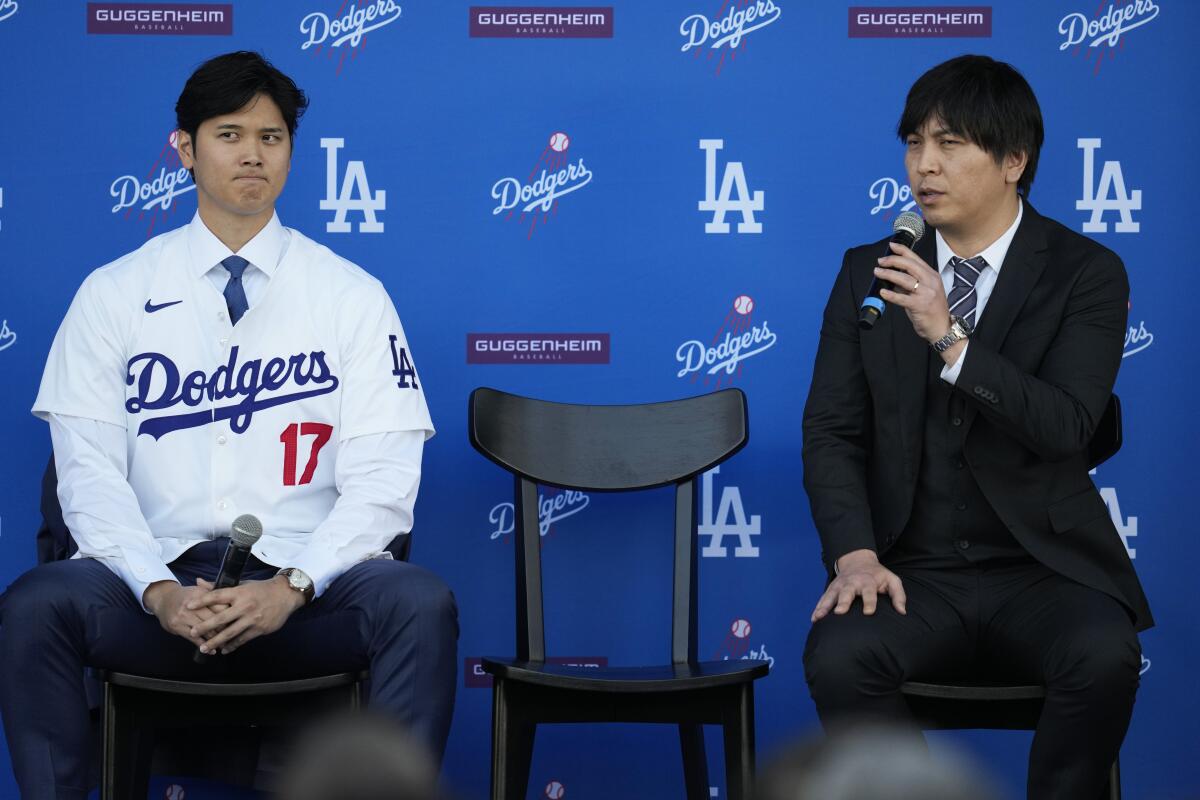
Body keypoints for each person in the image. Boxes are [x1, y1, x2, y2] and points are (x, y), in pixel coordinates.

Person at [0, 51, 457, 799]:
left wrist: (293, 587)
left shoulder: (352, 296)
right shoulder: (114, 293)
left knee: (417, 602)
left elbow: (383, 484)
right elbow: (87, 477)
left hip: (303, 597)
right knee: (37, 605)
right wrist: (159, 592)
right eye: (229, 133)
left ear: (290, 151)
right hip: (154, 597)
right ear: (184, 148)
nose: (252, 153)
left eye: (271, 137)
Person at [801, 54, 1151, 800]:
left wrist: (948, 336)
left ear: (1013, 161)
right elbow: (833, 431)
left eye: (950, 144)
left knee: (1103, 655)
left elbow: (1066, 424)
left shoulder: (1086, 273)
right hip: (914, 573)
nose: (923, 166)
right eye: (913, 142)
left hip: (1045, 571)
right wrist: (856, 556)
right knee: (839, 654)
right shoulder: (869, 272)